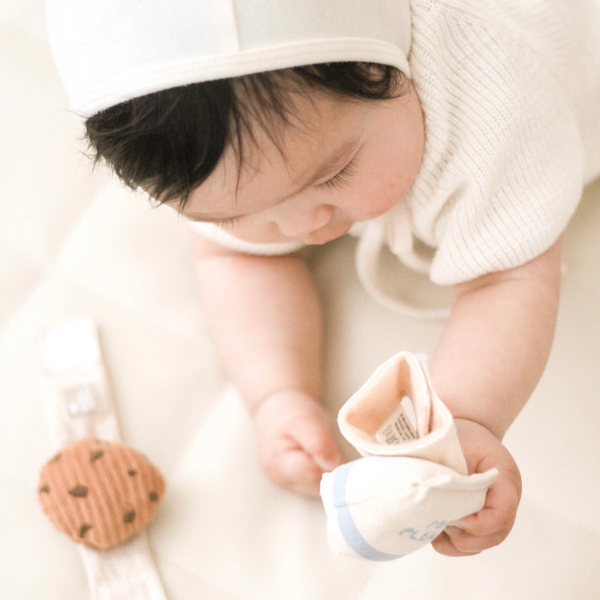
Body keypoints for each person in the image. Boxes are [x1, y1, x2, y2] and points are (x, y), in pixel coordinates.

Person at [46, 0, 600, 557]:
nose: (303, 226)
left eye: (335, 173)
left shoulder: (492, 104)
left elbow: (507, 279)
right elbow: (233, 259)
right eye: (233, 214)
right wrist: (277, 394)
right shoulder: (213, 155)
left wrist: (462, 424)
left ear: (389, 65)